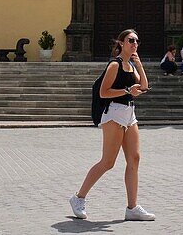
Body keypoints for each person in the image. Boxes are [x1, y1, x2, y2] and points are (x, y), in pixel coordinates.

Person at [69, 29, 155, 222]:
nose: (134, 44)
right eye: (131, 40)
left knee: (134, 159)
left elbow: (143, 86)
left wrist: (140, 66)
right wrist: (126, 90)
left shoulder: (132, 65)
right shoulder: (114, 65)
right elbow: (103, 92)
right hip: (114, 113)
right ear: (121, 43)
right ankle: (78, 198)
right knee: (108, 162)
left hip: (129, 114)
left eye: (137, 41)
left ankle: (132, 208)